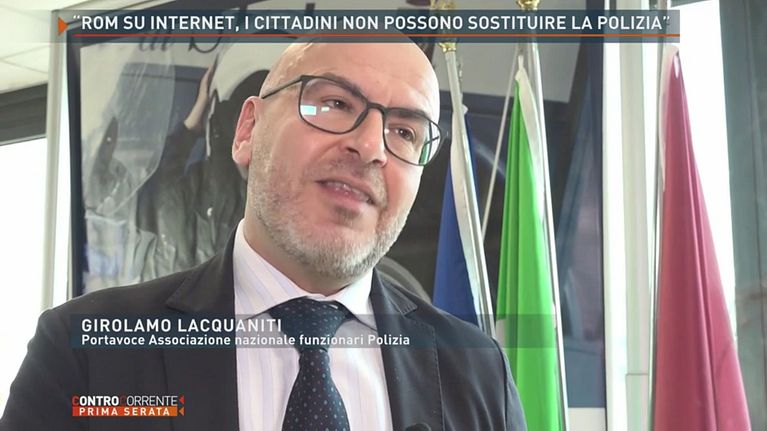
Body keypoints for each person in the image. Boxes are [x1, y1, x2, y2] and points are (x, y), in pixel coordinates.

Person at [0, 41, 526, 431]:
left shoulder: (478, 373)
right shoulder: (87, 353)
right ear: (248, 130)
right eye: (335, 104)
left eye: (405, 132)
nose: (370, 147)